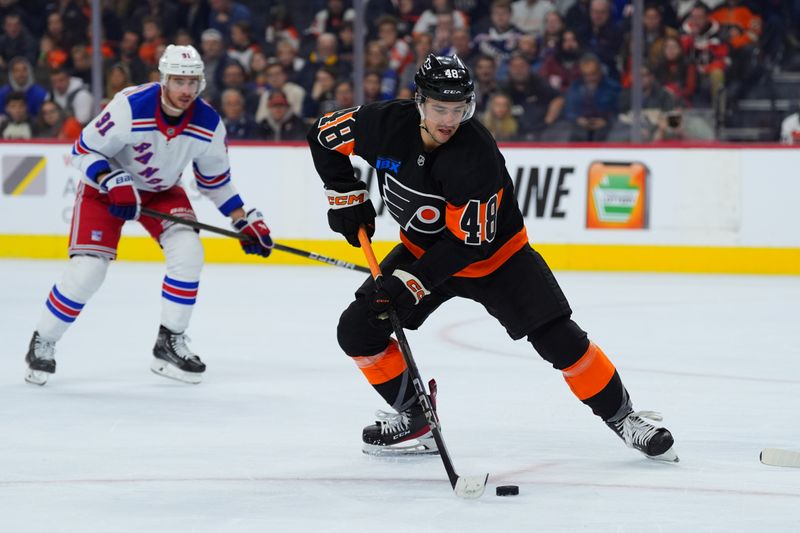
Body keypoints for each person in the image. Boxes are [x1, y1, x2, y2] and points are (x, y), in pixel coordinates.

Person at [306, 53, 678, 462]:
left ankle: (626, 418)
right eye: (440, 108)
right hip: (421, 252)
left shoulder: (475, 153)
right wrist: (345, 196)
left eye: (459, 108)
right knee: (357, 331)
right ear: (419, 102)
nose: (449, 119)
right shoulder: (382, 124)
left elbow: (470, 243)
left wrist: (409, 283)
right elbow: (322, 135)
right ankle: (416, 416)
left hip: (497, 260)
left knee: (559, 340)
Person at [23, 45, 274, 387]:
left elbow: (215, 181)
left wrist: (244, 219)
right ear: (163, 80)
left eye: (192, 82)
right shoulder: (130, 106)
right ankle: (43, 339)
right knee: (88, 271)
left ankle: (169, 342)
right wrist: (112, 178)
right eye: (178, 81)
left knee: (189, 252)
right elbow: (83, 149)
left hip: (161, 190)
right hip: (104, 188)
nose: (186, 91)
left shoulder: (208, 122)